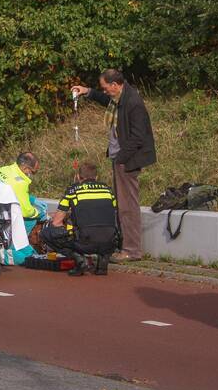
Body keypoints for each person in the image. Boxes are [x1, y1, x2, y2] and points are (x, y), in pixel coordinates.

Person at [71, 69, 155, 262]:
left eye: (105, 87)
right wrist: (87, 91)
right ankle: (123, 246)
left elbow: (138, 137)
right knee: (122, 204)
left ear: (115, 85)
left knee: (127, 206)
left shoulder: (133, 103)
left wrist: (121, 159)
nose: (105, 91)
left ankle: (132, 250)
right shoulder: (120, 98)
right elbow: (105, 100)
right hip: (122, 158)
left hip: (127, 160)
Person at [41, 162, 120, 276]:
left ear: (78, 177)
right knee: (104, 230)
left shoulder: (73, 191)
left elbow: (56, 222)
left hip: (85, 241)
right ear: (96, 177)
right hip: (110, 241)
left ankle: (79, 260)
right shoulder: (108, 190)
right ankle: (103, 261)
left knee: (47, 233)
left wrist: (69, 226)